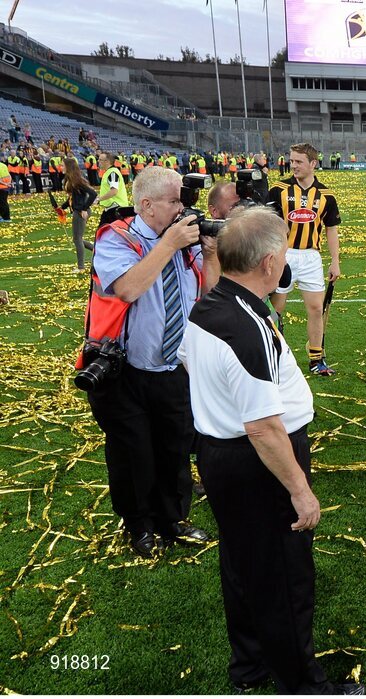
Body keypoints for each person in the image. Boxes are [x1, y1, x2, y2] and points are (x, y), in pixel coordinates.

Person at [179, 207, 365, 695]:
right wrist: (301, 491)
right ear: (266, 263)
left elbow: (189, 364)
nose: (287, 258)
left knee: (242, 563)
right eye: (282, 251)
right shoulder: (245, 326)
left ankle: (249, 666)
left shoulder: (211, 305)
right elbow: (263, 428)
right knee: (284, 576)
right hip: (256, 462)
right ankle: (302, 684)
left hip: (220, 455)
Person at [84, 166, 218, 558]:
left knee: (174, 447)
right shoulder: (118, 237)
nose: (183, 208)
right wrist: (169, 245)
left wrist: (208, 256)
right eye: (175, 200)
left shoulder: (184, 241)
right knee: (133, 453)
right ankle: (139, 525)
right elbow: (127, 288)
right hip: (123, 370)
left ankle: (173, 518)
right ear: (146, 205)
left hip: (173, 367)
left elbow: (208, 294)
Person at [266, 143, 342, 376]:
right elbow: (267, 224)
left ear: (313, 164)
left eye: (299, 161)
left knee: (316, 308)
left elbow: (331, 229)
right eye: (292, 161)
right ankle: (274, 354)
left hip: (311, 256)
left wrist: (335, 261)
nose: (293, 165)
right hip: (283, 254)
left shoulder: (326, 195)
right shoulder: (278, 189)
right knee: (275, 310)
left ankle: (316, 359)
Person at [60, 157, 97, 271]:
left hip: (80, 212)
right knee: (77, 239)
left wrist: (84, 208)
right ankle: (98, 251)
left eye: (63, 165)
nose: (61, 167)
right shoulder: (70, 179)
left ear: (68, 167)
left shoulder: (77, 180)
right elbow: (73, 197)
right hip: (77, 210)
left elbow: (93, 194)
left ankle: (81, 267)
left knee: (77, 239)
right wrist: (62, 207)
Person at [95, 152, 131, 225]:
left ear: (107, 162)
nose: (98, 161)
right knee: (103, 232)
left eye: (100, 160)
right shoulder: (110, 172)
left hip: (116, 208)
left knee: (106, 233)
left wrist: (99, 199)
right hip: (111, 207)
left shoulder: (112, 173)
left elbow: (114, 191)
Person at [0, 155, 10, 222]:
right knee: (4, 203)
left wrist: (5, 184)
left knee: (2, 203)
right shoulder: (4, 165)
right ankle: (4, 217)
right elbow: (9, 175)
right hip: (6, 187)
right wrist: (8, 183)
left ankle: (6, 218)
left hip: (1, 187)